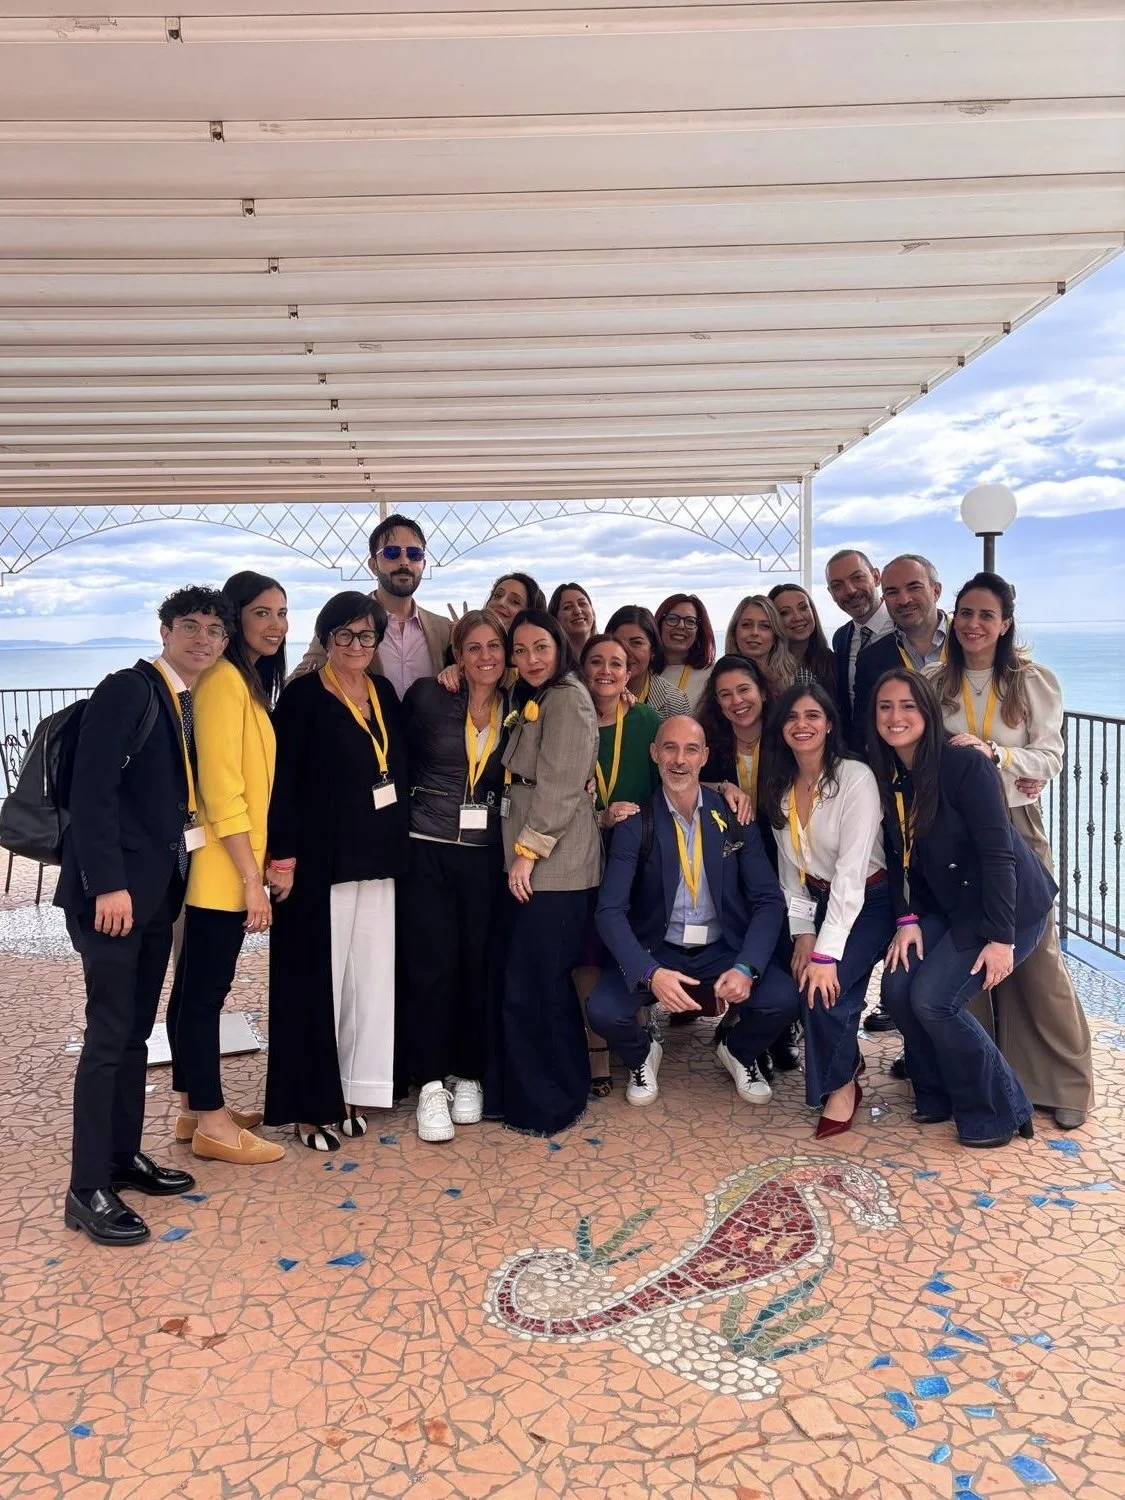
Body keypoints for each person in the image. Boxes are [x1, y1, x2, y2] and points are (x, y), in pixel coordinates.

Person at [57, 587, 232, 1244]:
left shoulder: (180, 700)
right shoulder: (126, 690)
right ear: (164, 631)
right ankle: (85, 1188)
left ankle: (120, 1158)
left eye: (214, 631)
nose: (203, 640)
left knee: (134, 1035)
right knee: (106, 1038)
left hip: (156, 894)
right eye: (190, 627)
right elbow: (91, 791)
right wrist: (106, 884)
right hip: (115, 898)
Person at [929, 573, 1093, 1130]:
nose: (973, 624)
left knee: (1036, 956)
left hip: (1017, 826)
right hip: (955, 836)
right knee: (968, 956)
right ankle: (984, 1078)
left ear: (1005, 624)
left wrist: (997, 756)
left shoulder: (1032, 681)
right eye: (965, 613)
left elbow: (1050, 757)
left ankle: (1063, 1081)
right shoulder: (934, 683)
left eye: (986, 615)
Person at [870, 669, 1055, 1148]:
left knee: (934, 998)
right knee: (897, 986)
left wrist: (1001, 939)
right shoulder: (888, 771)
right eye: (885, 707)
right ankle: (937, 1093)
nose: (896, 717)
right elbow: (897, 853)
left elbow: (998, 855)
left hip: (1006, 907)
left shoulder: (962, 765)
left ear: (928, 713)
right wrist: (907, 920)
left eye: (908, 706)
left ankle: (1000, 1107)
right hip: (948, 905)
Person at [589, 715, 801, 1107]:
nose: (679, 760)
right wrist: (649, 973)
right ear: (654, 753)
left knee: (784, 999)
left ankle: (737, 1050)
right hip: (660, 949)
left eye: (690, 750)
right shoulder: (637, 823)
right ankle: (643, 1054)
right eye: (670, 748)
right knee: (603, 1010)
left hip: (724, 948)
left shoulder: (734, 817)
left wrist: (747, 967)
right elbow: (610, 910)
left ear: (705, 756)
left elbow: (768, 900)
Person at [264, 591, 410, 1150]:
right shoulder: (302, 698)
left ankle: (354, 1088)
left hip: (378, 861)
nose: (355, 645)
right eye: (344, 635)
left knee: (368, 982)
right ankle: (308, 1106)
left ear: (377, 642)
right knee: (313, 985)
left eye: (365, 636)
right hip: (317, 865)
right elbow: (284, 788)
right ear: (326, 639)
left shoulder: (386, 693)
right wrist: (282, 859)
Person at [166, 571, 289, 1166]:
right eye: (262, 613)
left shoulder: (243, 683)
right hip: (221, 867)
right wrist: (250, 878)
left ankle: (195, 1108)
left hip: (227, 862)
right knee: (204, 996)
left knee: (195, 987)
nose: (275, 625)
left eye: (282, 614)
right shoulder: (221, 682)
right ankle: (212, 1121)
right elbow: (221, 788)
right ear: (238, 617)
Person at [759, 684, 892, 1138]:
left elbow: (852, 874)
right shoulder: (779, 785)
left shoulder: (855, 778)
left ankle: (840, 1084)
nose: (802, 725)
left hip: (870, 902)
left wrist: (825, 953)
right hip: (815, 902)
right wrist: (803, 934)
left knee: (823, 987)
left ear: (829, 724)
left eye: (813, 715)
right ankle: (845, 1064)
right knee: (807, 983)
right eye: (792, 717)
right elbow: (790, 872)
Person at [488, 609, 602, 1136]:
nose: (530, 659)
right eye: (520, 650)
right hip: (534, 864)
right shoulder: (534, 698)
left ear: (559, 647)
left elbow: (559, 785)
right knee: (533, 985)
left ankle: (552, 1101)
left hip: (553, 869)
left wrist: (527, 853)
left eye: (541, 648)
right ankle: (535, 1092)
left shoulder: (568, 699)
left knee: (540, 985)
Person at [399, 609, 510, 1142]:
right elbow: (395, 763)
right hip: (427, 847)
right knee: (430, 967)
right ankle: (428, 1084)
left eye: (494, 647)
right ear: (457, 657)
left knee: (475, 965)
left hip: (486, 853)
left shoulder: (520, 707)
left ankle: (468, 1073)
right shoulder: (428, 696)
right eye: (474, 648)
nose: (485, 657)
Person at [576, 633, 661, 1094]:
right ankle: (596, 1048)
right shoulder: (571, 715)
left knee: (632, 941)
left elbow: (663, 784)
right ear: (582, 669)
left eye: (617, 663)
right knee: (589, 947)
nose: (606, 671)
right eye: (596, 662)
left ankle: (639, 1037)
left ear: (630, 673)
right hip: (584, 848)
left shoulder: (647, 719)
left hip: (636, 853)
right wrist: (599, 816)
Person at [292, 513, 451, 696]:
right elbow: (301, 679)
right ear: (373, 565)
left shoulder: (443, 629)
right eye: (392, 553)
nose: (404, 561)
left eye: (414, 554)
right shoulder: (344, 621)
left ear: (423, 563)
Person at [853, 554, 948, 748]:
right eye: (892, 592)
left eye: (914, 587)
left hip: (971, 768)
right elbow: (865, 732)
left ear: (936, 591)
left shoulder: (969, 643)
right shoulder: (871, 659)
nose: (904, 600)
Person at [825, 549, 894, 747]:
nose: (850, 590)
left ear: (876, 577)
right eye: (837, 586)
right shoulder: (841, 638)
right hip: (859, 753)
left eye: (857, 578)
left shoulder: (905, 629)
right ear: (831, 594)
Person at [606, 605, 691, 720]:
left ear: (653, 649)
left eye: (636, 643)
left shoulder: (676, 703)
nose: (626, 652)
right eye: (618, 643)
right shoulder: (591, 694)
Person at [767, 584, 837, 699]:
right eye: (785, 612)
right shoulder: (766, 669)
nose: (797, 617)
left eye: (803, 608)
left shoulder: (832, 663)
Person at [724, 595, 797, 697]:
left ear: (776, 636)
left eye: (764, 626)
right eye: (746, 625)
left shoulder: (797, 679)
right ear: (734, 632)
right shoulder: (718, 679)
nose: (754, 633)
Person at [654, 593, 716, 710]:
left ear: (699, 631)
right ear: (658, 624)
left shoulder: (711, 676)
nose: (681, 626)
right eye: (672, 619)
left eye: (690, 621)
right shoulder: (642, 672)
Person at [547, 582, 597, 661]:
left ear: (593, 613)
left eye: (582, 603)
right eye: (568, 607)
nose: (577, 611)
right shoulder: (551, 665)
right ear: (555, 619)